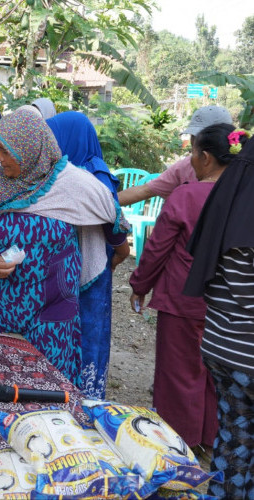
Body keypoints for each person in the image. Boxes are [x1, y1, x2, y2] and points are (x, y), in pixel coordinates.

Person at [0, 109, 123, 386]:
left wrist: (120, 251)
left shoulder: (74, 185)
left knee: (48, 390)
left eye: (7, 152)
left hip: (52, 315)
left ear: (30, 150)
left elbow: (111, 220)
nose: (0, 159)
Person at [129, 124, 234, 456]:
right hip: (229, 302)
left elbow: (158, 249)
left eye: (192, 153)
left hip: (183, 297)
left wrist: (139, 285)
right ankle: (212, 437)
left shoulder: (186, 195)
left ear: (204, 157)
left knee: (178, 373)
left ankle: (181, 443)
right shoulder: (243, 196)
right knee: (216, 372)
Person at [183, 128, 253, 499]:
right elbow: (244, 281)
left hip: (223, 345)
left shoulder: (232, 196)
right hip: (245, 351)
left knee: (235, 440)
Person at [46, 111, 130, 399]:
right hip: (67, 270)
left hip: (92, 274)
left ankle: (88, 400)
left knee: (88, 337)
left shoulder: (95, 174)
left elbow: (115, 226)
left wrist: (111, 261)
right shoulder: (61, 172)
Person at [118, 106, 233, 207]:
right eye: (194, 137)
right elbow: (145, 190)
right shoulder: (185, 166)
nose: (195, 144)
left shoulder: (244, 170)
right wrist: (105, 204)